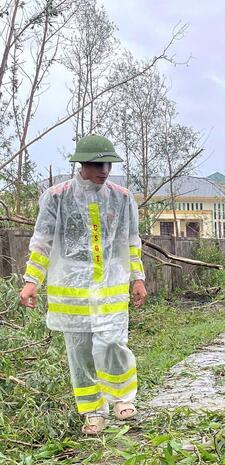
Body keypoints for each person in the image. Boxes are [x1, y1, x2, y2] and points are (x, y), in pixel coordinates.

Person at [18, 134, 147, 435]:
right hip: (71, 289)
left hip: (110, 285)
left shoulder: (122, 198)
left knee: (113, 342)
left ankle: (121, 397)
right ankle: (93, 411)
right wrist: (31, 281)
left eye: (108, 164)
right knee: (80, 352)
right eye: (97, 164)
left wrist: (137, 278)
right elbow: (43, 241)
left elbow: (131, 241)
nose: (104, 170)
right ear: (81, 165)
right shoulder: (56, 197)